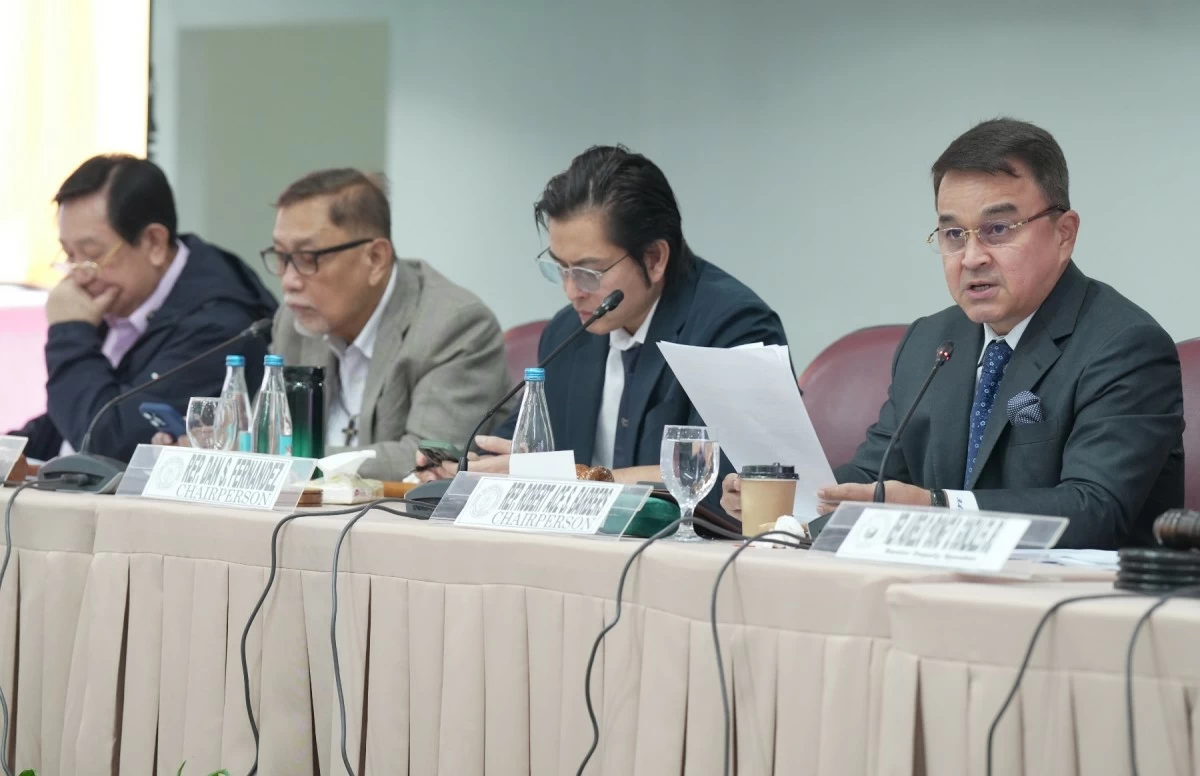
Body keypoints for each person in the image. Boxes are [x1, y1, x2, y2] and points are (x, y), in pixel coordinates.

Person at [722, 118, 1183, 549]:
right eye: (953, 235)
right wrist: (789, 499)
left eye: (997, 229)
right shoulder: (932, 341)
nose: (972, 257)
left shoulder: (1124, 345)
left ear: (1064, 234)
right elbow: (875, 474)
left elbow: (1095, 509)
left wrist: (937, 508)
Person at [417, 145, 788, 517]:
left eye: (589, 273)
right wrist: (462, 466)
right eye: (560, 267)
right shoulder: (568, 333)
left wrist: (573, 476)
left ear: (655, 258)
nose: (571, 290)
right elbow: (521, 451)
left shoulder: (735, 327)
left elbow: (729, 478)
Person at [156, 168, 508, 481]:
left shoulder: (454, 326)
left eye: (308, 258)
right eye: (281, 257)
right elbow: (274, 436)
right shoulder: (292, 323)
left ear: (375, 258)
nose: (289, 280)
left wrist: (278, 460)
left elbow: (429, 458)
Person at [11, 154, 277, 462]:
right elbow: (64, 425)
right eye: (69, 254)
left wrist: (70, 332)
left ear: (154, 243)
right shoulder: (115, 297)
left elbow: (108, 442)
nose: (77, 274)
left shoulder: (220, 326)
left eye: (92, 254)